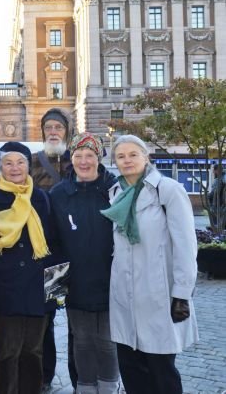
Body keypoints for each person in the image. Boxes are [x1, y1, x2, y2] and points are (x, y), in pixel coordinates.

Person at [101, 135, 198, 394]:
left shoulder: (167, 190)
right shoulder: (116, 193)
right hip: (124, 298)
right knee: (132, 371)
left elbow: (186, 246)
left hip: (158, 295)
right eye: (121, 156)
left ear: (146, 157)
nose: (127, 160)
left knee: (162, 372)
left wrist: (182, 294)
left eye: (133, 154)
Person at [0, 142, 56, 394]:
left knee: (33, 352)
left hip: (37, 289)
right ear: (0, 167)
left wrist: (55, 293)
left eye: (20, 162)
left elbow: (54, 246)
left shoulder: (42, 198)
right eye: (8, 163)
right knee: (7, 353)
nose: (15, 168)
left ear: (28, 166)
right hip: (5, 290)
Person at [49, 133, 120, 394]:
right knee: (81, 341)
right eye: (78, 155)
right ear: (71, 158)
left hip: (112, 280)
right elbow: (53, 243)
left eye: (89, 155)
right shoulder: (59, 194)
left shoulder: (115, 191)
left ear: (99, 158)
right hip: (76, 282)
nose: (84, 161)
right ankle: (85, 387)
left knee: (108, 342)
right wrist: (55, 290)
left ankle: (109, 387)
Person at [30, 107, 75, 391]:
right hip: (45, 256)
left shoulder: (79, 160)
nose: (53, 132)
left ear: (67, 132)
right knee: (45, 318)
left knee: (76, 319)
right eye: (49, 127)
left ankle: (80, 377)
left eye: (58, 127)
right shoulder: (33, 161)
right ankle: (44, 375)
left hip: (72, 254)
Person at [207, 163, 226, 232]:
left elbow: (216, 191)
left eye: (214, 170)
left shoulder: (221, 179)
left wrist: (209, 196)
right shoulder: (221, 178)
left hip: (219, 202)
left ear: (217, 170)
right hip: (218, 202)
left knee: (216, 213)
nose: (213, 172)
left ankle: (216, 227)